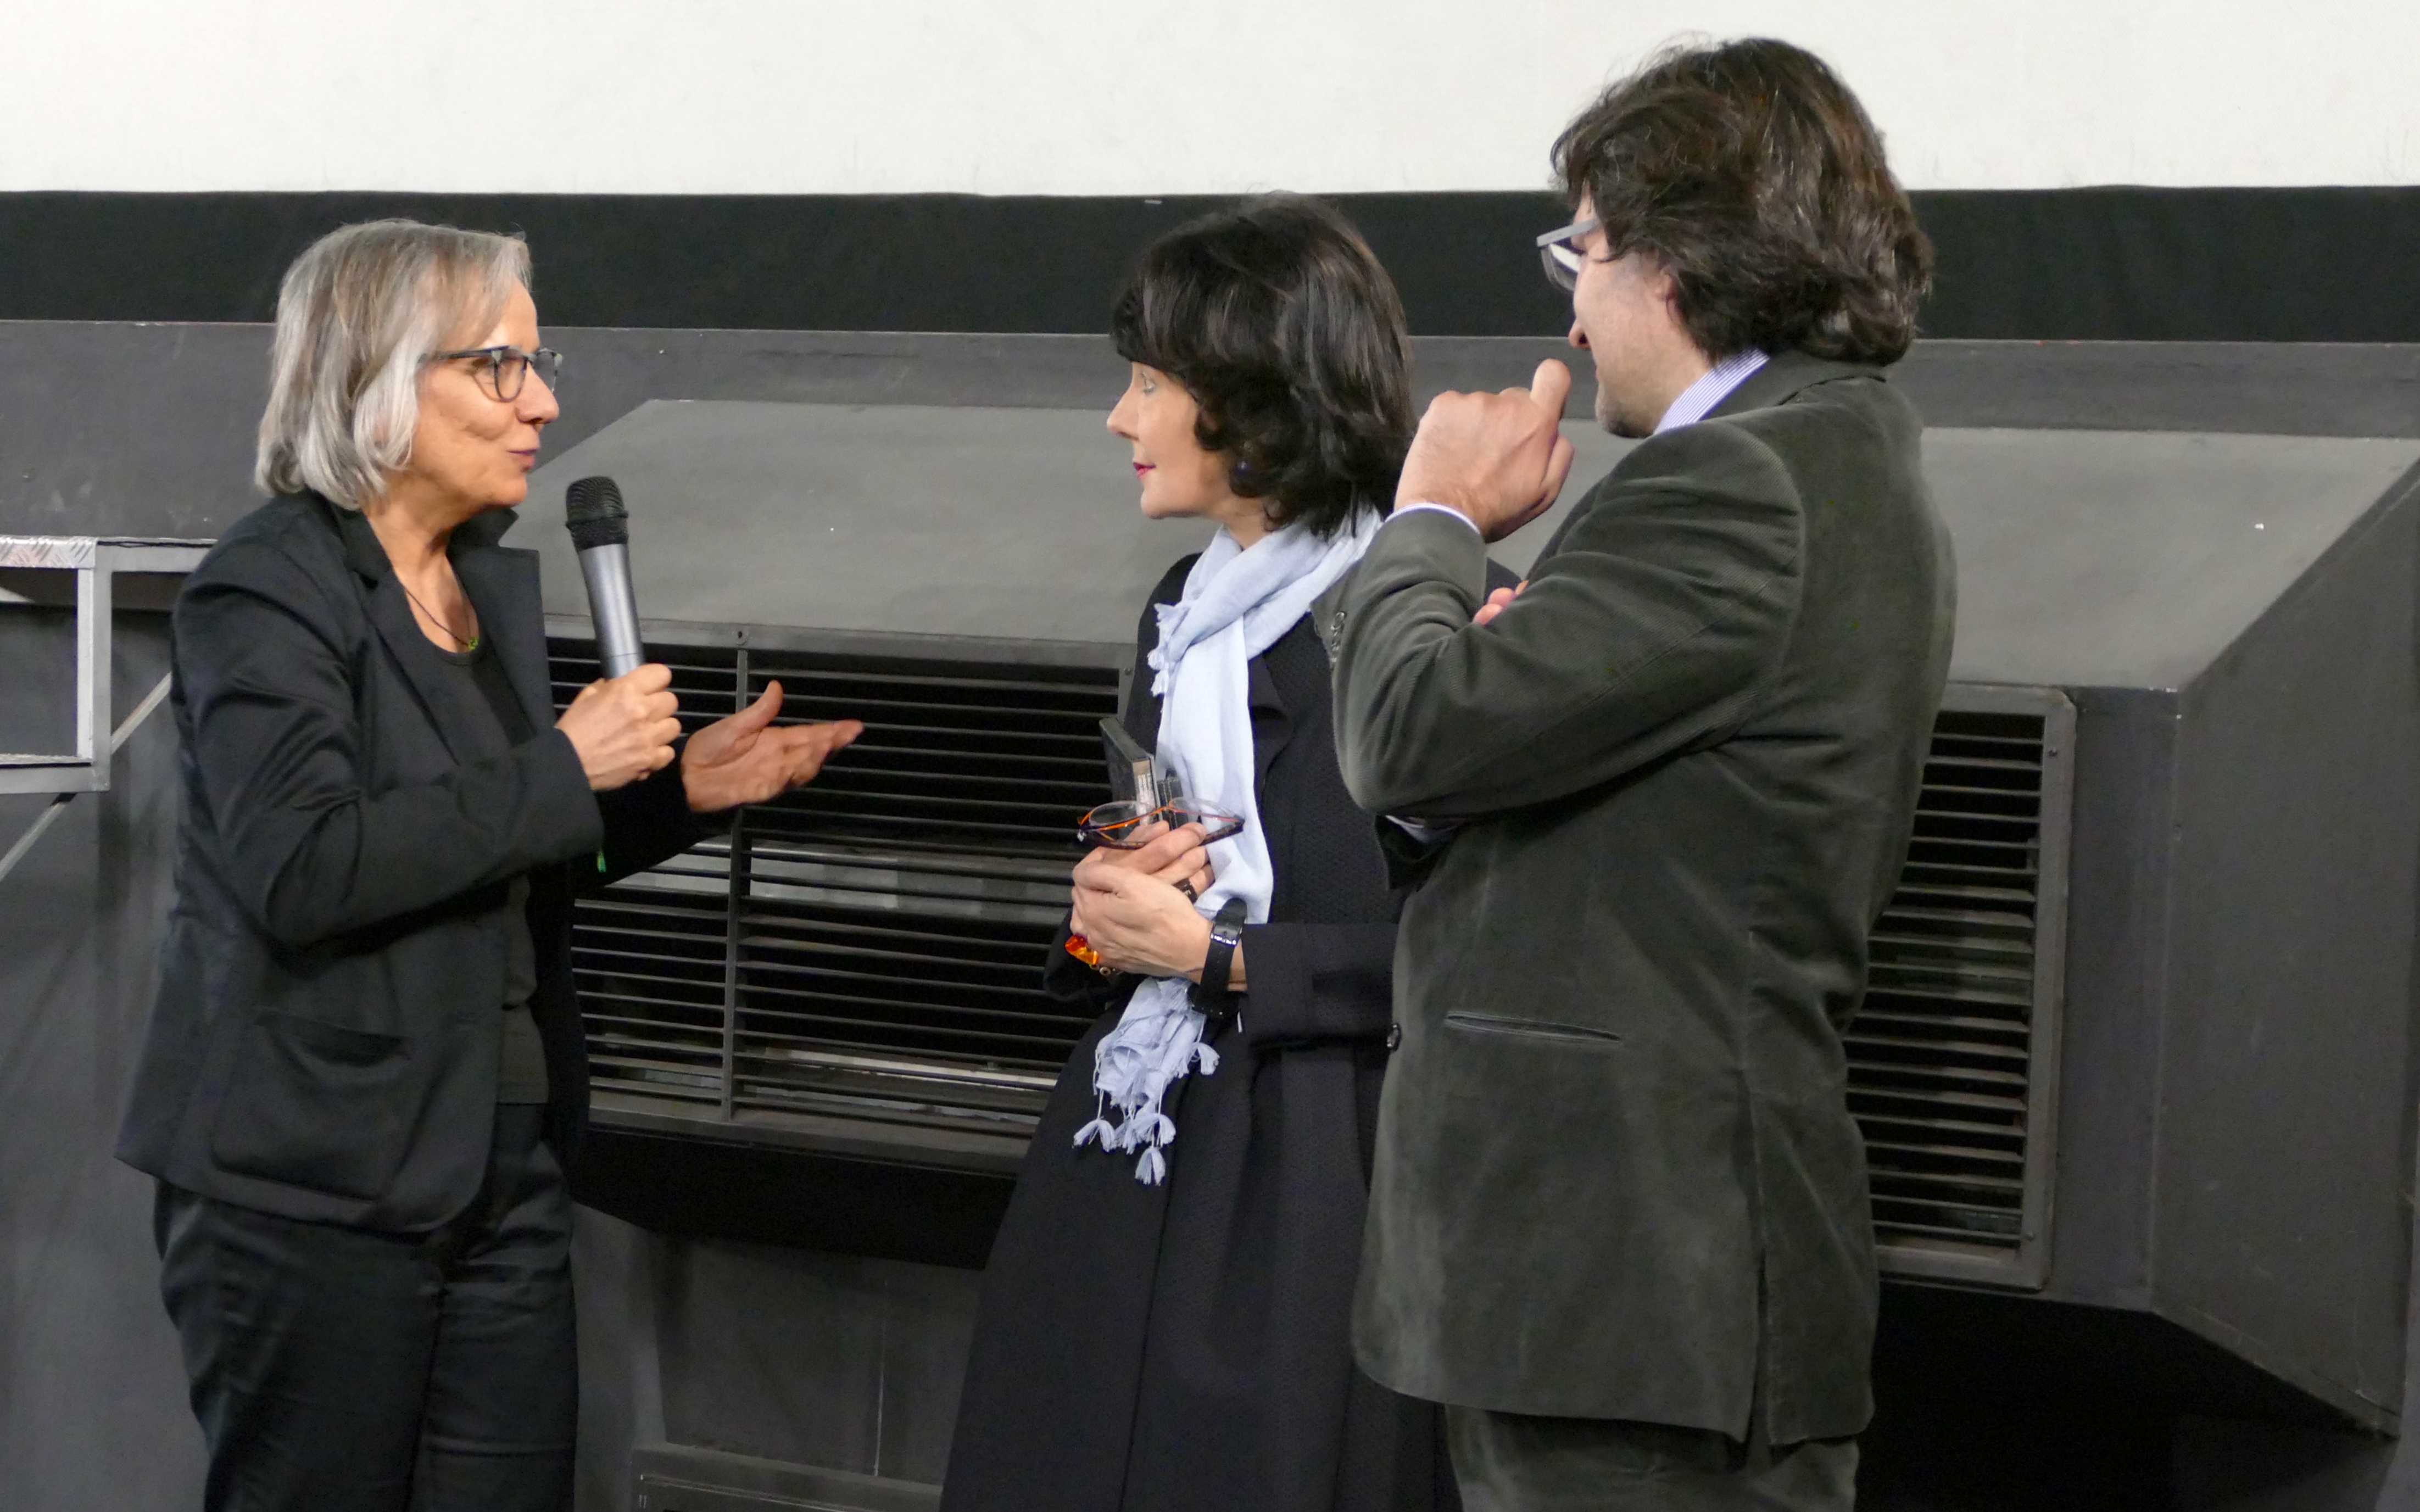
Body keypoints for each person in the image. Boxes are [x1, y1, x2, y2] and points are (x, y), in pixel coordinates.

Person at [115, 219, 863, 1512]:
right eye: (501, 366)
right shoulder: (266, 592)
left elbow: (495, 856)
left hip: (500, 1166)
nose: (544, 403)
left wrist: (677, 794)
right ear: (377, 380)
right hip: (316, 1184)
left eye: (537, 363)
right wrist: (568, 765)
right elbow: (304, 867)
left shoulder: (478, 592)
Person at [1326, 40, 1955, 1512]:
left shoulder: (1740, 479)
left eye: (1584, 251)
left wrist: (1431, 515)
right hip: (1619, 1300)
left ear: (1677, 261)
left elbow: (1401, 729)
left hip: (1631, 1290)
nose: (1570, 305)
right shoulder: (1810, 460)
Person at [944, 196, 1500, 1512]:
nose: (1119, 418)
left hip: (1323, 1182)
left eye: (1151, 383)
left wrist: (1224, 959)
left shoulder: (1426, 622)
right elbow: (1146, 904)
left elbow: (1480, 955)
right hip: (1139, 1146)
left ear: (1255, 401)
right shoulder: (1179, 616)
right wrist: (1105, 909)